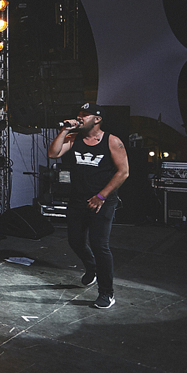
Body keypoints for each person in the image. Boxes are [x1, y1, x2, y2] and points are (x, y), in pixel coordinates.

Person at [47, 102, 130, 309]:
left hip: (102, 202)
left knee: (99, 245)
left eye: (85, 115)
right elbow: (53, 153)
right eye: (79, 114)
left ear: (97, 119)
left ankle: (107, 293)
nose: (80, 117)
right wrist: (65, 129)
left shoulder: (112, 141)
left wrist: (101, 196)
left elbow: (123, 172)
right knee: (75, 241)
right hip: (77, 200)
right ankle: (91, 268)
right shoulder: (73, 139)